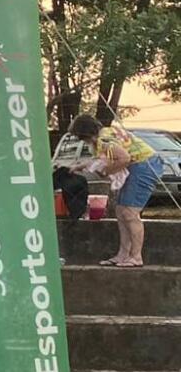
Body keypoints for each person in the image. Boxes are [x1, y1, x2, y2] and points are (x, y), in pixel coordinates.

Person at [69, 114, 162, 267]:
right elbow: (101, 159)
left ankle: (136, 256)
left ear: (86, 134)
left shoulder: (104, 140)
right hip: (141, 164)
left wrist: (108, 171)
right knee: (120, 211)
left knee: (130, 212)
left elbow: (124, 158)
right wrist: (79, 166)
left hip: (144, 165)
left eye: (81, 138)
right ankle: (123, 254)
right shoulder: (106, 134)